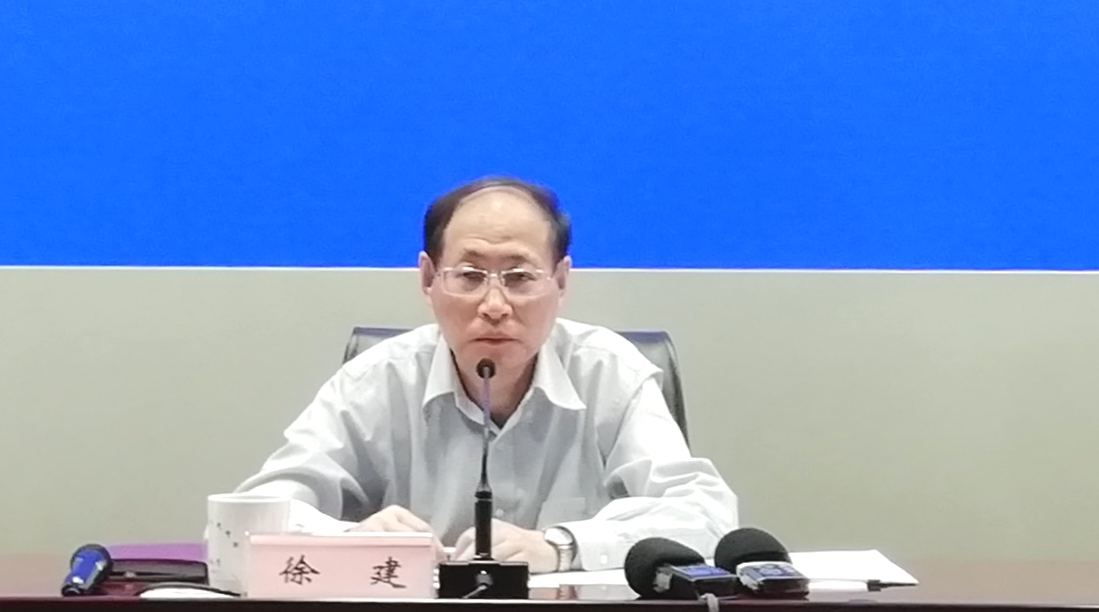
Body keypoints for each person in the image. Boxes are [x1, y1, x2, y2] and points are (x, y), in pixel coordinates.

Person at [239, 176, 737, 574]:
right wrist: (353, 538)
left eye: (519, 277)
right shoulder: (376, 381)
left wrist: (562, 546)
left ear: (560, 281)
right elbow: (250, 517)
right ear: (429, 280)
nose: (494, 305)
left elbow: (707, 515)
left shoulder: (610, 374)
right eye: (470, 276)